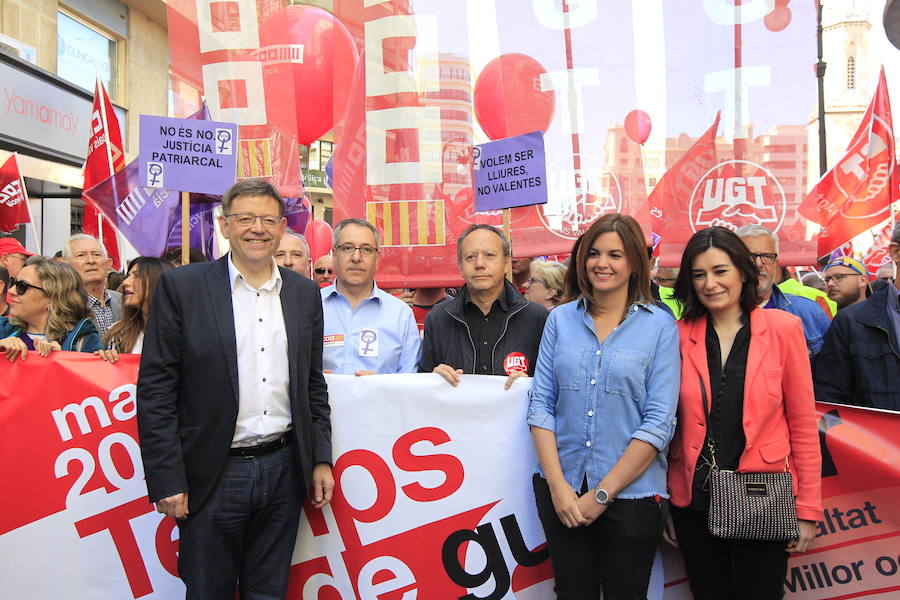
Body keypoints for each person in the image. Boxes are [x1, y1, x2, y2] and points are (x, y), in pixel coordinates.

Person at [136, 178, 333, 599]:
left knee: (269, 591)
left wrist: (320, 457)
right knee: (209, 591)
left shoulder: (304, 293)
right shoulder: (183, 288)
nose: (256, 229)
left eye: (266, 220)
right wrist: (167, 477)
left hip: (284, 471)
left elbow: (312, 384)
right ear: (225, 226)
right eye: (244, 219)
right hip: (211, 474)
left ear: (282, 228)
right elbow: (156, 391)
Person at [527, 214, 679, 599]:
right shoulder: (559, 320)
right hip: (563, 492)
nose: (602, 263)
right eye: (594, 253)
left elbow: (658, 423)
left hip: (633, 498)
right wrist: (560, 488)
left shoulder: (660, 326)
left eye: (615, 254)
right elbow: (541, 406)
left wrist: (601, 495)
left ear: (634, 263)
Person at [667, 226, 821, 599]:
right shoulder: (675, 333)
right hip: (695, 499)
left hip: (763, 495)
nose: (710, 284)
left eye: (720, 271)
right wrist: (666, 503)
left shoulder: (785, 329)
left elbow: (802, 423)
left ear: (742, 271)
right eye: (699, 274)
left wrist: (808, 509)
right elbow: (667, 424)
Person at [420, 224, 548, 388]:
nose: (479, 264)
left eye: (489, 255)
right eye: (470, 257)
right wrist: (433, 378)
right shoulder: (438, 319)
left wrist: (529, 384)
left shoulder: (536, 318)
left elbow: (550, 386)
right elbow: (422, 387)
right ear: (460, 265)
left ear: (506, 261)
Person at [814, 223, 900, 411]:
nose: (832, 284)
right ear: (895, 252)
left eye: (840, 277)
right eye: (828, 279)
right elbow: (829, 399)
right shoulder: (849, 322)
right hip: (877, 439)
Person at [321, 218, 420, 375]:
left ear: (377, 259)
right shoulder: (312, 305)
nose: (356, 257)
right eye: (347, 248)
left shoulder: (400, 314)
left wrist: (379, 387)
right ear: (334, 255)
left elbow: (410, 380)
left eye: (366, 249)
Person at [735, 224, 830, 358]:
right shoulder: (718, 314)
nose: (758, 264)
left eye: (767, 256)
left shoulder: (810, 313)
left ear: (776, 263)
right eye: (749, 257)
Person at [0, 257, 101, 359]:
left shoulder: (83, 340)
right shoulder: (3, 330)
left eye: (21, 286)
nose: (11, 291)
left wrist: (63, 359)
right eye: (13, 283)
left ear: (52, 297)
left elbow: (94, 373)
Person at [96, 257, 173, 361]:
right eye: (128, 276)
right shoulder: (118, 335)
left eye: (136, 276)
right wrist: (106, 360)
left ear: (157, 281)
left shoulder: (184, 333)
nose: (125, 282)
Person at [64, 233, 122, 338]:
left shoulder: (124, 302)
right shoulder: (60, 305)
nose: (91, 261)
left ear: (108, 263)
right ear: (65, 266)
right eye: (81, 255)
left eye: (96, 255)